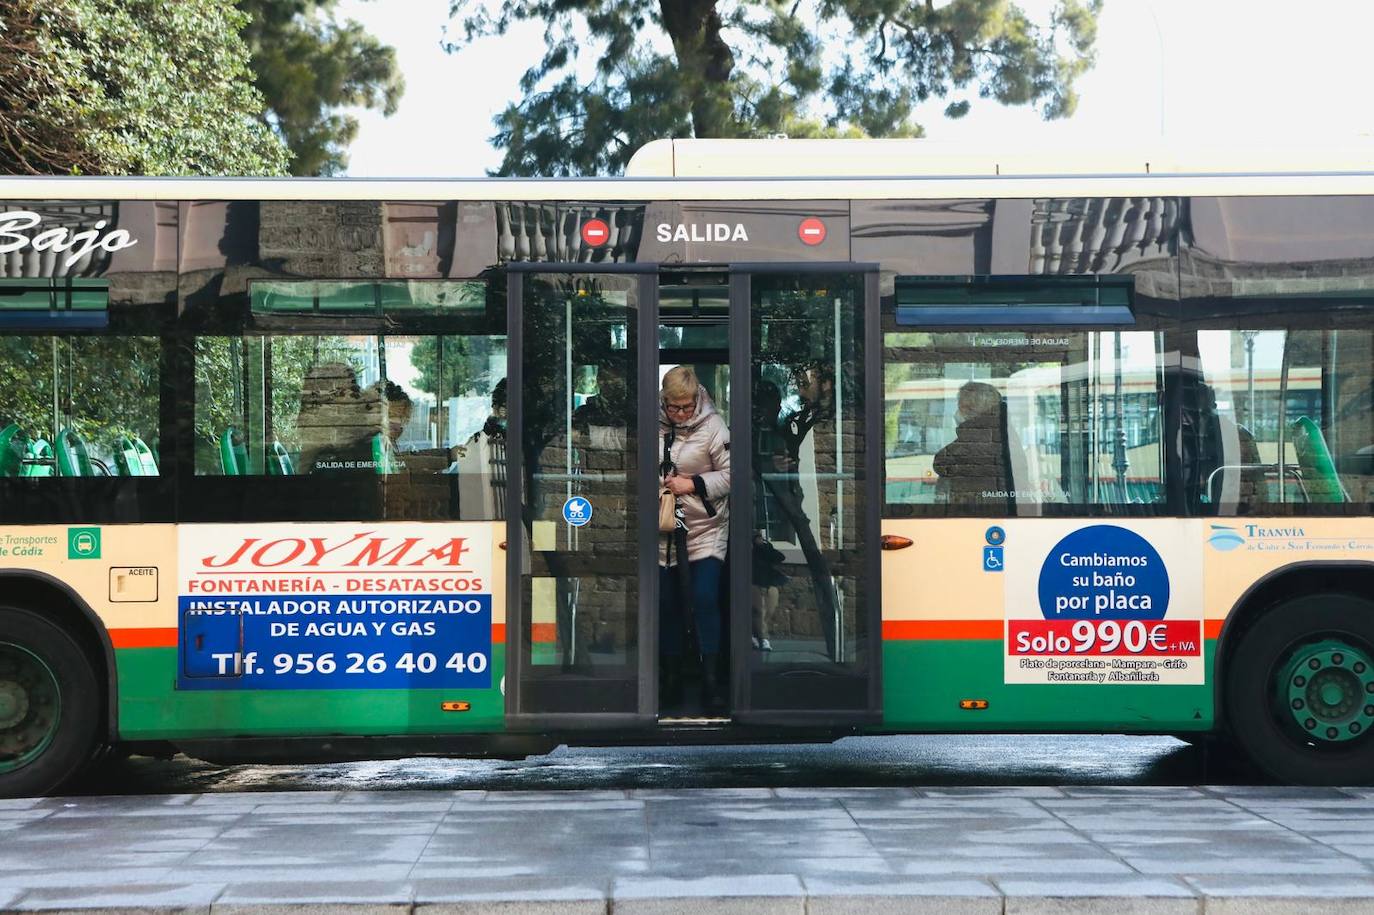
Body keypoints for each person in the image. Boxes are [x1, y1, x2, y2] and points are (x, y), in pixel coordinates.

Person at [658, 365, 730, 711]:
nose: (682, 413)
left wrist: (694, 484)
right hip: (662, 532)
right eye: (674, 407)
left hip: (705, 528)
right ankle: (669, 678)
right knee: (667, 604)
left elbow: (733, 475)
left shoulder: (713, 425)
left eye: (687, 406)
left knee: (703, 598)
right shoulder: (653, 423)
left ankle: (711, 680)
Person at [932, 381, 1012, 507]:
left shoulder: (980, 434)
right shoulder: (1002, 430)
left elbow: (942, 463)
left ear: (970, 408)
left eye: (961, 406)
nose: (958, 412)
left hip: (977, 508)